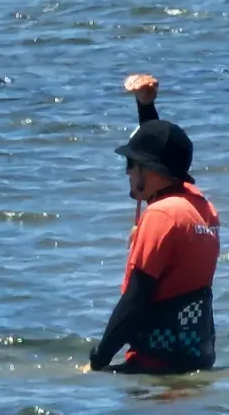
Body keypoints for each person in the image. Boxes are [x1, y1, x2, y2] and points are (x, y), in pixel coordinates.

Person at [88, 74, 219, 374]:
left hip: (153, 364)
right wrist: (145, 107)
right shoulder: (202, 209)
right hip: (195, 356)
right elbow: (161, 147)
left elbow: (135, 300)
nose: (128, 172)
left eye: (131, 164)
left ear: (152, 170)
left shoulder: (161, 217)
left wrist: (98, 360)